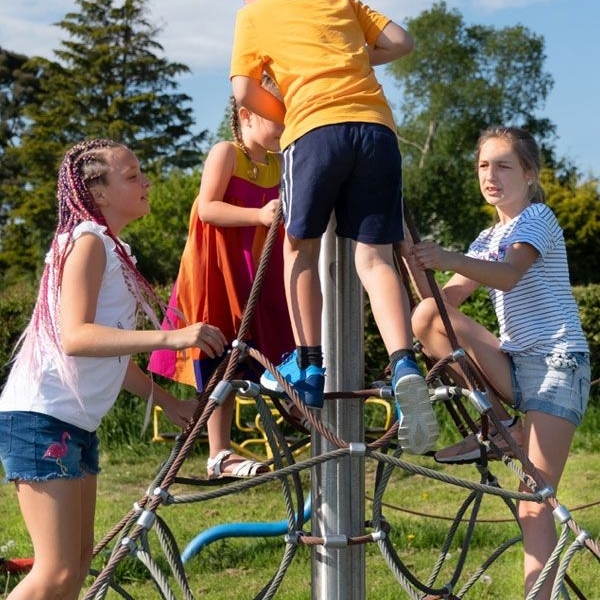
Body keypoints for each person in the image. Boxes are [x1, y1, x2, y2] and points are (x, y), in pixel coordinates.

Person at [0, 139, 228, 600]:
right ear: (98, 193)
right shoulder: (87, 243)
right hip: (41, 419)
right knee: (56, 573)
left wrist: (167, 402)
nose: (146, 182)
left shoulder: (109, 247)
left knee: (74, 571)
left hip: (71, 422)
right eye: (132, 176)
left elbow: (109, 353)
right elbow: (77, 337)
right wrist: (173, 336)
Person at [229, 0, 439, 455]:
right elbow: (401, 41)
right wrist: (356, 59)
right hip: (376, 130)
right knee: (375, 256)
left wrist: (294, 113)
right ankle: (404, 364)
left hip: (313, 130)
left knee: (298, 247)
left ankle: (308, 363)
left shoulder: (254, 13)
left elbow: (245, 90)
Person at [410, 126, 590, 599]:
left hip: (556, 366)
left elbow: (508, 275)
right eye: (483, 166)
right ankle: (500, 420)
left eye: (504, 165)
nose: (491, 175)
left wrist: (446, 255)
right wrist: (412, 260)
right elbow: (441, 303)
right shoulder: (487, 236)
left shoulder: (537, 218)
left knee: (534, 504)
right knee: (426, 317)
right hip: (513, 364)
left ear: (529, 175)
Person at [148, 75, 295, 478]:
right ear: (246, 115)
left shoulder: (278, 162)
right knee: (219, 353)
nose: (284, 129)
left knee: (275, 342)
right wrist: (258, 214)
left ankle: (301, 417)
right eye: (277, 120)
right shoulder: (226, 153)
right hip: (217, 271)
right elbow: (208, 207)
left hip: (256, 273)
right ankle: (219, 452)